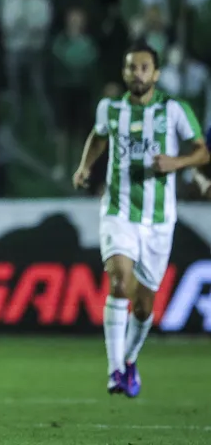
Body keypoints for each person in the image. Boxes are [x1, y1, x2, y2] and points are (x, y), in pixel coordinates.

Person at [72, 41, 209, 397]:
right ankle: (114, 371)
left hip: (160, 220)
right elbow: (98, 138)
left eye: (144, 67)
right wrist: (85, 166)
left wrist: (175, 164)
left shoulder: (174, 110)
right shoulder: (111, 108)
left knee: (145, 305)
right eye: (132, 67)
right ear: (124, 72)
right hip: (119, 210)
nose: (138, 73)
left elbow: (201, 151)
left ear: (157, 74)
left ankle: (130, 359)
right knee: (119, 281)